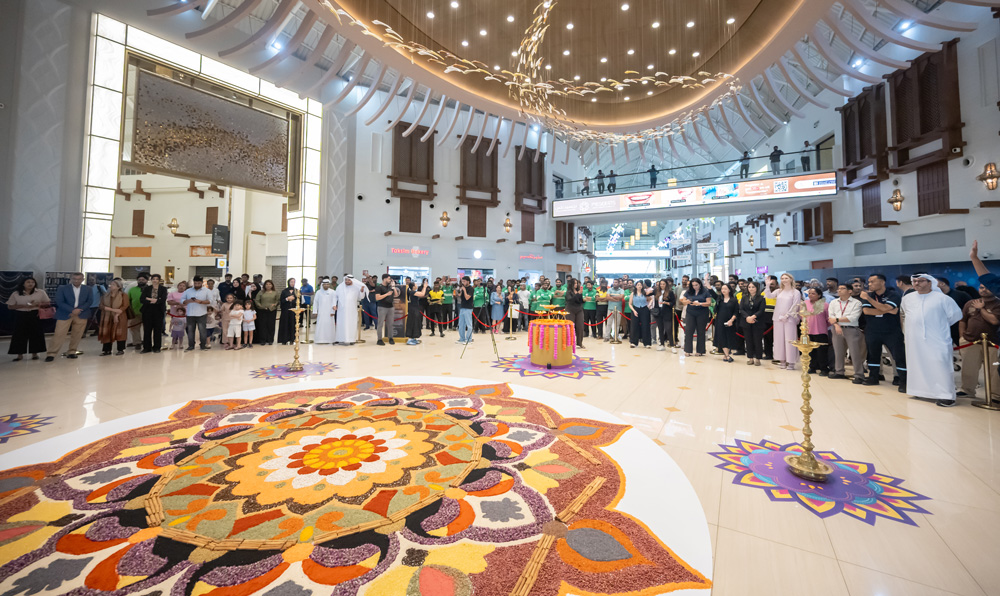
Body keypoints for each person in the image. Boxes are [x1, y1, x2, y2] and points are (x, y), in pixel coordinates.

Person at [901, 274, 964, 406]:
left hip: (937, 338)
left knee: (940, 364)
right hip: (914, 339)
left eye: (920, 281)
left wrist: (936, 325)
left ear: (930, 283)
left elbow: (955, 316)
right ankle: (920, 390)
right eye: (914, 281)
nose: (916, 283)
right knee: (917, 363)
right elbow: (906, 314)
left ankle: (946, 396)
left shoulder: (942, 298)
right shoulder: (907, 298)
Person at [860, 273, 907, 390]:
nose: (869, 284)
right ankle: (873, 377)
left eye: (872, 282)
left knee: (899, 356)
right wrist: (886, 309)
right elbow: (867, 311)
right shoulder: (868, 295)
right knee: (873, 355)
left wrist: (870, 300)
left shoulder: (894, 295)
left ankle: (903, 381)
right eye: (869, 282)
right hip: (873, 330)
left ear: (882, 282)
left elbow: (890, 309)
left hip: (892, 331)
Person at [45, 273, 94, 362]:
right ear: (71, 279)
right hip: (65, 314)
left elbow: (89, 301)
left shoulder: (88, 289)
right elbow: (59, 301)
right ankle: (51, 353)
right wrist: (72, 310)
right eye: (74, 279)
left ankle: (72, 351)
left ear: (82, 279)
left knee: (77, 334)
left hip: (81, 314)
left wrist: (79, 309)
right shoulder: (62, 288)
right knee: (59, 334)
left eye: (79, 279)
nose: (76, 281)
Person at [828, 283, 866, 383]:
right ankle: (839, 372)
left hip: (851, 329)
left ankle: (859, 374)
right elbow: (830, 317)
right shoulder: (834, 302)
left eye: (842, 288)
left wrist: (836, 319)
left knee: (855, 352)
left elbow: (853, 318)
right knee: (838, 352)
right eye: (839, 289)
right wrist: (837, 325)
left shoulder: (856, 303)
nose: (839, 290)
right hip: (836, 329)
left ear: (850, 291)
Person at [6, 276, 49, 361]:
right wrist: (23, 306)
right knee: (19, 334)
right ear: (23, 283)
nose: (30, 284)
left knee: (36, 334)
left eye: (32, 282)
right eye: (28, 282)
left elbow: (47, 304)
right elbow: (10, 306)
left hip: (35, 314)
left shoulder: (40, 292)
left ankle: (35, 354)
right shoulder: (16, 293)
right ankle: (19, 355)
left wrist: (37, 304)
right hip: (21, 314)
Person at [769, 273, 802, 370]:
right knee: (779, 340)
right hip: (778, 318)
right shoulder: (779, 291)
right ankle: (782, 360)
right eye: (782, 278)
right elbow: (769, 296)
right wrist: (767, 285)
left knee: (790, 340)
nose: (784, 280)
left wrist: (787, 315)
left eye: (786, 278)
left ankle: (791, 362)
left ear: (791, 279)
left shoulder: (795, 292)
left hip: (790, 319)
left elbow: (796, 305)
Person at [98, 279, 129, 356]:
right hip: (107, 316)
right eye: (110, 284)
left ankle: (120, 349)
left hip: (120, 316)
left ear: (119, 287)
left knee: (120, 332)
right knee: (106, 332)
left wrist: (117, 314)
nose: (110, 286)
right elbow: (101, 306)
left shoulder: (123, 295)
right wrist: (112, 310)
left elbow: (125, 305)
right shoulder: (105, 295)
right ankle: (106, 350)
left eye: (113, 285)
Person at [682, 278, 712, 356]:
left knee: (701, 331)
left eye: (696, 285)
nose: (695, 287)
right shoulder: (689, 292)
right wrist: (687, 302)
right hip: (691, 312)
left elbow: (709, 303)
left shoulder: (705, 291)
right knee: (688, 330)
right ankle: (688, 350)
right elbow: (683, 300)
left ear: (700, 284)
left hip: (702, 313)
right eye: (693, 285)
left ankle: (700, 350)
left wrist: (700, 304)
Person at [334, 274, 368, 345]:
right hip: (341, 310)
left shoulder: (356, 287)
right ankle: (340, 339)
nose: (347, 281)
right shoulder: (340, 287)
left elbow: (360, 297)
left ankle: (351, 339)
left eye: (349, 280)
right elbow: (335, 297)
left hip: (351, 310)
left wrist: (362, 291)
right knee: (341, 324)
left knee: (351, 324)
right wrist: (334, 305)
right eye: (346, 280)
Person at [803, 287, 830, 376]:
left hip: (820, 331)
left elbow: (828, 319)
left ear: (819, 295)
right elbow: (801, 316)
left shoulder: (825, 304)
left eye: (813, 293)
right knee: (809, 351)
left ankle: (824, 369)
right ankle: (812, 367)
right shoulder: (805, 303)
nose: (810, 295)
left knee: (821, 351)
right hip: (807, 332)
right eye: (809, 293)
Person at [182, 276, 212, 351]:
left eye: (199, 283)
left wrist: (201, 302)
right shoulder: (188, 291)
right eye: (195, 283)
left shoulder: (206, 291)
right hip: (190, 314)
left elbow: (211, 301)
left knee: (202, 330)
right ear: (193, 282)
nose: (197, 284)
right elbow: (182, 300)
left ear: (202, 283)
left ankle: (203, 345)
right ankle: (191, 345)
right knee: (190, 331)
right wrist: (188, 301)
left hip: (201, 313)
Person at [740, 281, 766, 366]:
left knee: (757, 341)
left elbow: (761, 310)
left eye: (753, 287)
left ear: (757, 288)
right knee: (748, 340)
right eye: (749, 287)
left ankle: (758, 358)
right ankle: (750, 358)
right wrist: (747, 317)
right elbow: (741, 309)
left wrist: (753, 317)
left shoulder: (761, 298)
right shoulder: (744, 297)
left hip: (757, 322)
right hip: (746, 321)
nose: (751, 289)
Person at [140, 273, 167, 353]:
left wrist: (155, 301)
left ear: (159, 280)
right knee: (147, 330)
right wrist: (152, 301)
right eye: (153, 279)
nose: (155, 281)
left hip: (158, 311)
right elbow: (142, 299)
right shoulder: (146, 288)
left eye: (157, 279)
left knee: (157, 330)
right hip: (147, 310)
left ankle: (157, 347)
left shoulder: (163, 289)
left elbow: (163, 299)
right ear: (151, 280)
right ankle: (146, 347)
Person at [714, 283, 739, 362]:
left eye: (725, 289)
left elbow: (736, 312)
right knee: (722, 337)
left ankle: (725, 355)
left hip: (730, 321)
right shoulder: (719, 299)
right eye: (722, 289)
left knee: (729, 337)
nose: (723, 290)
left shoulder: (734, 300)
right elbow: (711, 292)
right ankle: (727, 356)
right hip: (720, 321)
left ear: (729, 290)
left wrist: (731, 320)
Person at [375, 274, 399, 346]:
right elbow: (377, 298)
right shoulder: (379, 287)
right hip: (382, 307)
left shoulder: (390, 287)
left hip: (390, 307)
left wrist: (394, 287)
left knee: (390, 324)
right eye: (388, 279)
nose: (390, 280)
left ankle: (390, 338)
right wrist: (387, 294)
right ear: (384, 279)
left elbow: (396, 295)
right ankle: (379, 339)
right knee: (380, 324)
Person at [254, 280, 279, 345]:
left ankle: (270, 340)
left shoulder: (275, 292)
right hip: (262, 311)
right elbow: (257, 300)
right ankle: (263, 340)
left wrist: (274, 305)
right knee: (262, 325)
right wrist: (261, 306)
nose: (268, 285)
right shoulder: (261, 292)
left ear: (272, 285)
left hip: (272, 310)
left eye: (270, 284)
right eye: (267, 284)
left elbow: (277, 301)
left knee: (271, 325)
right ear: (264, 285)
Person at [629, 280, 652, 349]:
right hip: (635, 309)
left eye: (640, 285)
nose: (639, 286)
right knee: (634, 325)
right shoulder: (633, 293)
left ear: (642, 286)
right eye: (638, 285)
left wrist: (648, 306)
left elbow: (651, 299)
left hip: (644, 309)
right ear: (636, 286)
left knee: (645, 325)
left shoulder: (645, 293)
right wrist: (634, 310)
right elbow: (630, 303)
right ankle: (634, 342)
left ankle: (647, 343)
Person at [653, 279, 676, 350]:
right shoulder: (657, 292)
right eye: (661, 284)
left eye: (663, 284)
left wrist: (667, 303)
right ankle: (662, 344)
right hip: (658, 313)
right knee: (660, 329)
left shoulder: (670, 292)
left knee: (668, 329)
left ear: (666, 284)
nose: (662, 285)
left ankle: (672, 345)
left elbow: (673, 302)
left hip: (667, 312)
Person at [404, 279, 428, 345]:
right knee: (413, 323)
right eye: (415, 284)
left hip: (414, 309)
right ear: (413, 286)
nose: (416, 285)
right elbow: (422, 294)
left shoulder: (412, 292)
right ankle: (410, 338)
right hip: (413, 310)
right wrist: (425, 287)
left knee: (416, 323)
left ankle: (414, 337)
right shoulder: (412, 292)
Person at [313, 279, 337, 344]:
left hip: (329, 312)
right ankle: (320, 340)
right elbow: (315, 302)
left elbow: (334, 302)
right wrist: (315, 311)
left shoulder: (333, 292)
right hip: (321, 312)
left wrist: (333, 312)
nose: (326, 285)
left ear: (329, 285)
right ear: (322, 285)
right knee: (321, 325)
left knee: (329, 325)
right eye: (324, 284)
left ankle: (330, 340)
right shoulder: (318, 292)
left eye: (327, 284)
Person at [127, 274, 147, 349]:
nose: (141, 281)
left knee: (147, 328)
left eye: (143, 280)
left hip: (147, 313)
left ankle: (146, 341)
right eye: (139, 280)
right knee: (134, 328)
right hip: (135, 312)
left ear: (146, 280)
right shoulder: (132, 289)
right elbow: (128, 300)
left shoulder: (149, 289)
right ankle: (137, 342)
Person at [277, 279, 299, 345]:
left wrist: (293, 300)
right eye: (291, 282)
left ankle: (292, 339)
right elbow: (281, 300)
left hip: (293, 310)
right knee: (285, 324)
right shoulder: (284, 291)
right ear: (288, 282)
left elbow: (299, 300)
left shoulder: (296, 291)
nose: (292, 283)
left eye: (294, 282)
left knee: (293, 324)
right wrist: (287, 299)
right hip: (285, 310)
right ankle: (284, 339)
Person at [565, 278, 585, 349]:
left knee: (580, 326)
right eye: (575, 283)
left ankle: (579, 343)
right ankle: (570, 343)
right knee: (571, 326)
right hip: (570, 309)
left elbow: (580, 301)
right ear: (571, 284)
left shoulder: (578, 291)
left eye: (577, 283)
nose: (576, 285)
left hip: (579, 309)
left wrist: (583, 299)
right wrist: (578, 294)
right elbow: (571, 300)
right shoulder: (568, 292)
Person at [456, 276, 474, 344]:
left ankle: (469, 339)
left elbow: (467, 298)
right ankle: (462, 338)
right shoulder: (463, 288)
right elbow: (460, 296)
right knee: (461, 324)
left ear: (468, 281)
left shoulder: (471, 289)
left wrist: (464, 290)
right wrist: (459, 291)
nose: (463, 283)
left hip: (468, 308)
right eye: (462, 281)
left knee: (469, 325)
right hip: (462, 307)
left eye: (464, 281)